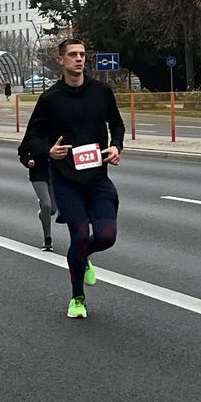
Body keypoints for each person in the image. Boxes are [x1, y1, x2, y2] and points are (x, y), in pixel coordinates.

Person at [18, 38, 124, 319]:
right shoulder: (50, 99)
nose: (79, 59)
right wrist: (48, 151)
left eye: (82, 54)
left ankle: (83, 256)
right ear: (61, 60)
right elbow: (30, 140)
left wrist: (116, 146)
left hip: (98, 179)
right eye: (73, 55)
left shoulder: (101, 91)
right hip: (66, 181)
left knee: (105, 236)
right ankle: (77, 297)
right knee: (78, 236)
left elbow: (117, 123)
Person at [17, 149, 57, 251]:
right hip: (38, 173)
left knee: (52, 210)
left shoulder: (59, 133)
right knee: (46, 205)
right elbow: (22, 150)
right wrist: (28, 160)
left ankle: (43, 213)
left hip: (55, 173)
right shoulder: (33, 133)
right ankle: (47, 240)